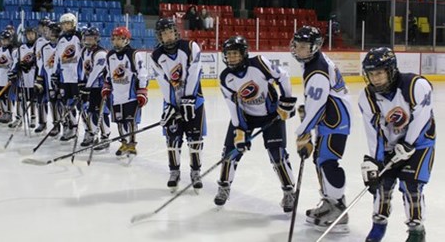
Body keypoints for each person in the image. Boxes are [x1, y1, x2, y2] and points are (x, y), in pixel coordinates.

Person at [359, 47, 435, 242]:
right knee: (382, 184)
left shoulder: (415, 85)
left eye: (379, 73)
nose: (374, 78)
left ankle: (416, 231)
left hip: (420, 143)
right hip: (390, 147)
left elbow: (422, 116)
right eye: (371, 74)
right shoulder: (367, 98)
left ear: (391, 70)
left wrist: (408, 143)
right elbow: (373, 132)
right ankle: (378, 225)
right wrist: (376, 162)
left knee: (412, 186)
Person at [214, 35, 298, 210]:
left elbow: (283, 77)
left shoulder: (260, 63)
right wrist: (239, 129)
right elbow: (233, 105)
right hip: (246, 117)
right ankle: (223, 187)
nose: (232, 58)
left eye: (235, 54)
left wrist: (287, 102)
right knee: (230, 152)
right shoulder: (225, 78)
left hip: (271, 115)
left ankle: (289, 191)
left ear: (244, 53)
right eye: (229, 54)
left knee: (278, 155)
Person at [290, 26, 352, 232]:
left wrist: (303, 131)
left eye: (304, 47)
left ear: (314, 48)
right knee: (320, 159)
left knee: (327, 161)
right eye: (297, 45)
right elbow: (315, 102)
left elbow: (318, 105)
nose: (299, 50)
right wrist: (306, 115)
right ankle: (329, 201)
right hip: (330, 118)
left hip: (335, 120)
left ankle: (338, 208)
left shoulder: (317, 68)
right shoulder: (314, 63)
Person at [151, 18, 206, 191]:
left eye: (169, 31)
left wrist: (189, 99)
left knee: (195, 141)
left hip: (195, 102)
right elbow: (163, 82)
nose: (167, 36)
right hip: (172, 103)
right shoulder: (156, 55)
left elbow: (194, 74)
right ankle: (174, 171)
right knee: (172, 141)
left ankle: (195, 172)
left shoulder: (190, 47)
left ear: (175, 31)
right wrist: (171, 106)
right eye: (163, 33)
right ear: (159, 37)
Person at [101, 26, 148, 160]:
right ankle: (124, 143)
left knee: (131, 121)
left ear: (126, 40)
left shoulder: (133, 54)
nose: (116, 42)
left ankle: (132, 144)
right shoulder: (110, 55)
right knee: (120, 122)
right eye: (114, 39)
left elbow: (142, 74)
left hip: (130, 95)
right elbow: (109, 74)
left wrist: (142, 91)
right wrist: (106, 86)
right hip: (116, 96)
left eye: (119, 39)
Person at [77, 27, 111, 148]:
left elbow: (96, 72)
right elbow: (82, 69)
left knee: (101, 112)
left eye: (92, 38)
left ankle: (105, 137)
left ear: (97, 39)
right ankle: (91, 132)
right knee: (88, 111)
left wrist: (87, 87)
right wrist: (81, 82)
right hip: (90, 87)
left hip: (101, 88)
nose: (89, 40)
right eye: (87, 38)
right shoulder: (83, 52)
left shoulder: (100, 53)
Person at [52, 13, 83, 141]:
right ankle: (72, 127)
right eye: (63, 24)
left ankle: (90, 131)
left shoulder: (79, 37)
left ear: (74, 24)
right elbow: (57, 59)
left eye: (68, 23)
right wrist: (55, 73)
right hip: (65, 78)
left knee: (82, 106)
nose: (65, 26)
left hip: (77, 78)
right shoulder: (61, 39)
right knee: (67, 104)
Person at [7, 27, 37, 129]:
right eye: (28, 34)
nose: (30, 36)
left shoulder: (38, 47)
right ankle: (19, 118)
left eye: (32, 33)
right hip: (22, 78)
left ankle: (33, 117)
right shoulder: (21, 49)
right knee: (20, 99)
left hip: (33, 78)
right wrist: (14, 70)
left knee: (33, 100)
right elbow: (16, 62)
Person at [34, 22, 61, 134]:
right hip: (46, 76)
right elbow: (42, 64)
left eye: (51, 31)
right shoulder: (44, 46)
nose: (49, 33)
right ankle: (49, 123)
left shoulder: (62, 45)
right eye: (47, 30)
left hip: (61, 78)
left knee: (63, 103)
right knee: (48, 101)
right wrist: (39, 78)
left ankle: (68, 126)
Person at [0, 30, 15, 124]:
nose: (4, 42)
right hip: (1, 77)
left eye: (6, 40)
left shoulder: (12, 50)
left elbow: (14, 62)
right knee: (0, 96)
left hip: (8, 77)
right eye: (2, 40)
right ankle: (3, 112)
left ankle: (9, 113)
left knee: (8, 96)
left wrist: (12, 74)